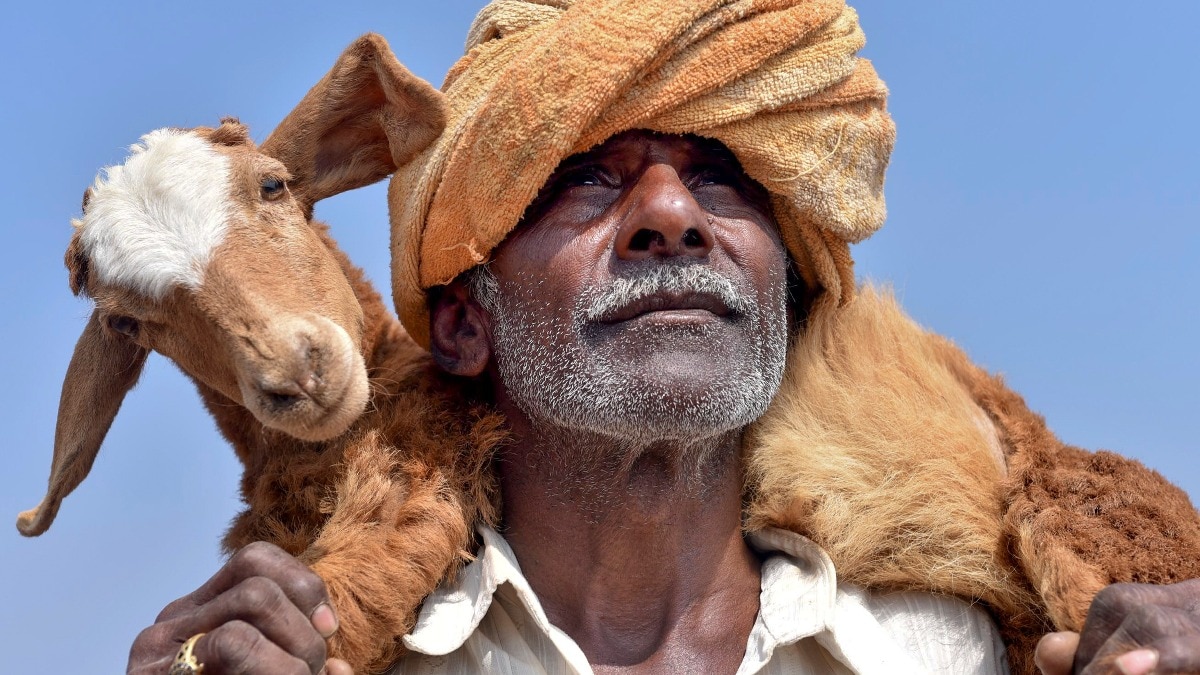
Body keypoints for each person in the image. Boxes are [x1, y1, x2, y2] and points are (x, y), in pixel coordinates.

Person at [127, 1, 1200, 674]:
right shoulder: (320, 659)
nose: (672, 215)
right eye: (586, 179)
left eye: (723, 179)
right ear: (462, 323)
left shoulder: (969, 652)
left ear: (789, 302)